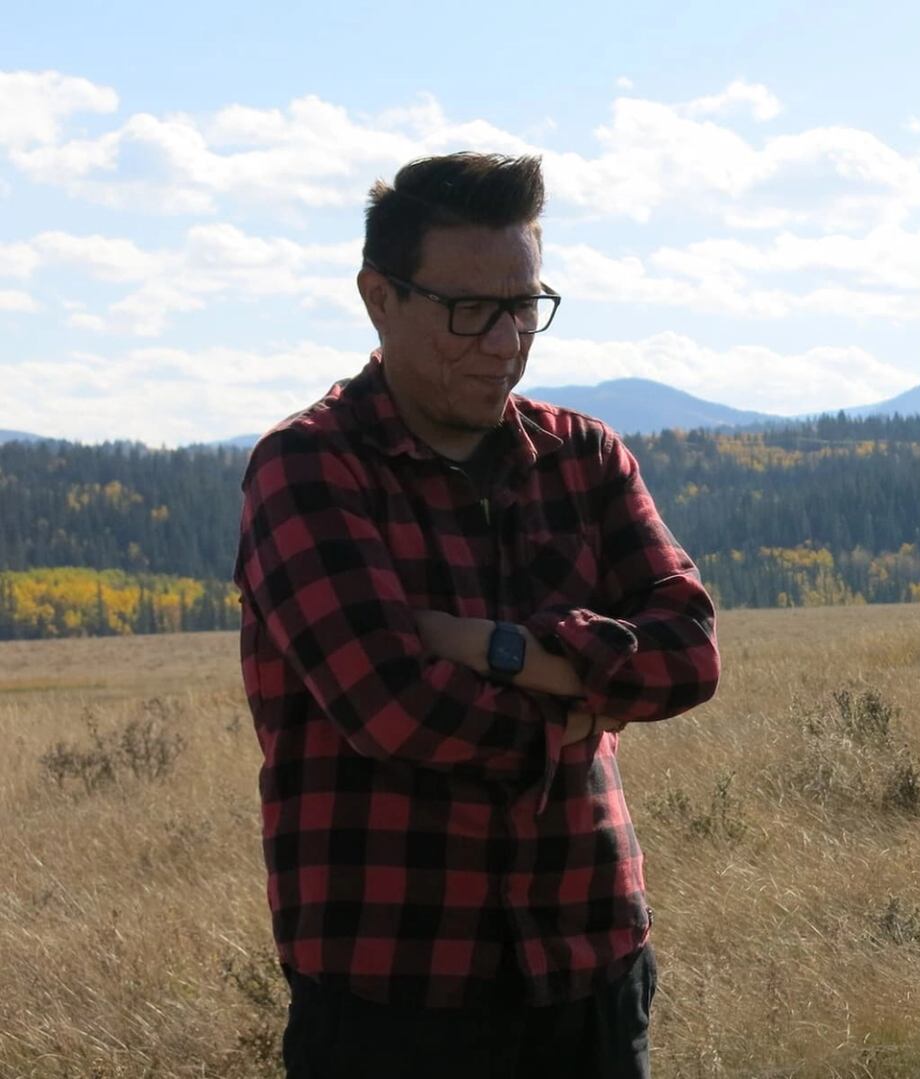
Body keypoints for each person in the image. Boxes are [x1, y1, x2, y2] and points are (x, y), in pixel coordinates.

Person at [234, 152, 720, 1078]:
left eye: (523, 306)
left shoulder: (586, 458)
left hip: (589, 966)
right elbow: (392, 706)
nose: (502, 341)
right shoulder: (306, 469)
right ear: (379, 297)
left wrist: (511, 651)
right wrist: (585, 701)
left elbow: (692, 652)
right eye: (468, 310)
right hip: (392, 991)